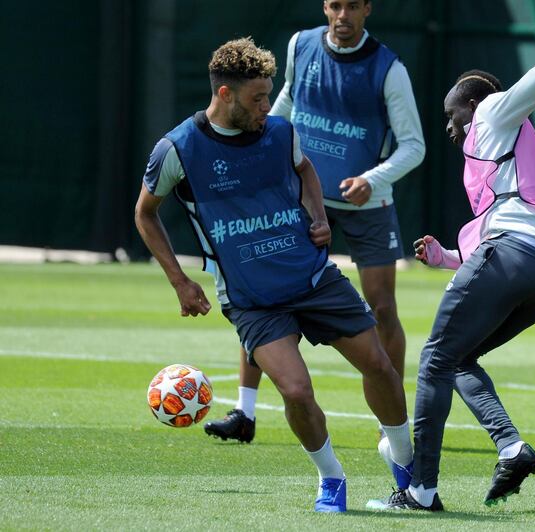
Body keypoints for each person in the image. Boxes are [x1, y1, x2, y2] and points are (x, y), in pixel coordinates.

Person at [134, 37, 414, 512]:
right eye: (257, 98)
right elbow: (145, 213)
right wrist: (180, 281)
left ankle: (406, 467)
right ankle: (331, 478)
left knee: (381, 367)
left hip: (312, 277)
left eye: (268, 96)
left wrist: (319, 216)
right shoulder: (178, 149)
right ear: (224, 95)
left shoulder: (282, 132)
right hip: (252, 298)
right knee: (297, 391)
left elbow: (305, 171)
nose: (267, 106)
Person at [369, 24, 535, 512]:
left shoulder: (492, 112)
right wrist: (444, 258)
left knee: (436, 358)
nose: (450, 124)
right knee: (459, 358)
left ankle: (420, 491)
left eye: (451, 113)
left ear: (475, 103)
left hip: (514, 255)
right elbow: (492, 239)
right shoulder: (497, 163)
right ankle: (511, 447)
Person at [204, 0, 425, 462]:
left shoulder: (389, 68)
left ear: (368, 9)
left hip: (368, 203)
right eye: (334, 5)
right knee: (261, 291)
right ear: (326, 7)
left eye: (352, 6)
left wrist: (373, 179)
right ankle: (244, 412)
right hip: (304, 198)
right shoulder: (300, 45)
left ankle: (397, 421)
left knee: (382, 307)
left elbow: (414, 146)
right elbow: (284, 103)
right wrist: (258, 142)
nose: (342, 15)